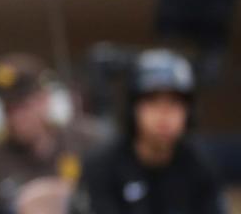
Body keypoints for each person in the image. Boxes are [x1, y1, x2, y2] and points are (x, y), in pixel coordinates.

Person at [70, 49, 226, 213]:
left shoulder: (201, 167)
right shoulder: (102, 166)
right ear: (133, 108)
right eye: (152, 102)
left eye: (174, 103)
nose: (164, 114)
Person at [0, 54, 90, 214]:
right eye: (8, 110)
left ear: (44, 100)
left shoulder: (86, 144)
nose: (16, 118)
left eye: (23, 107)